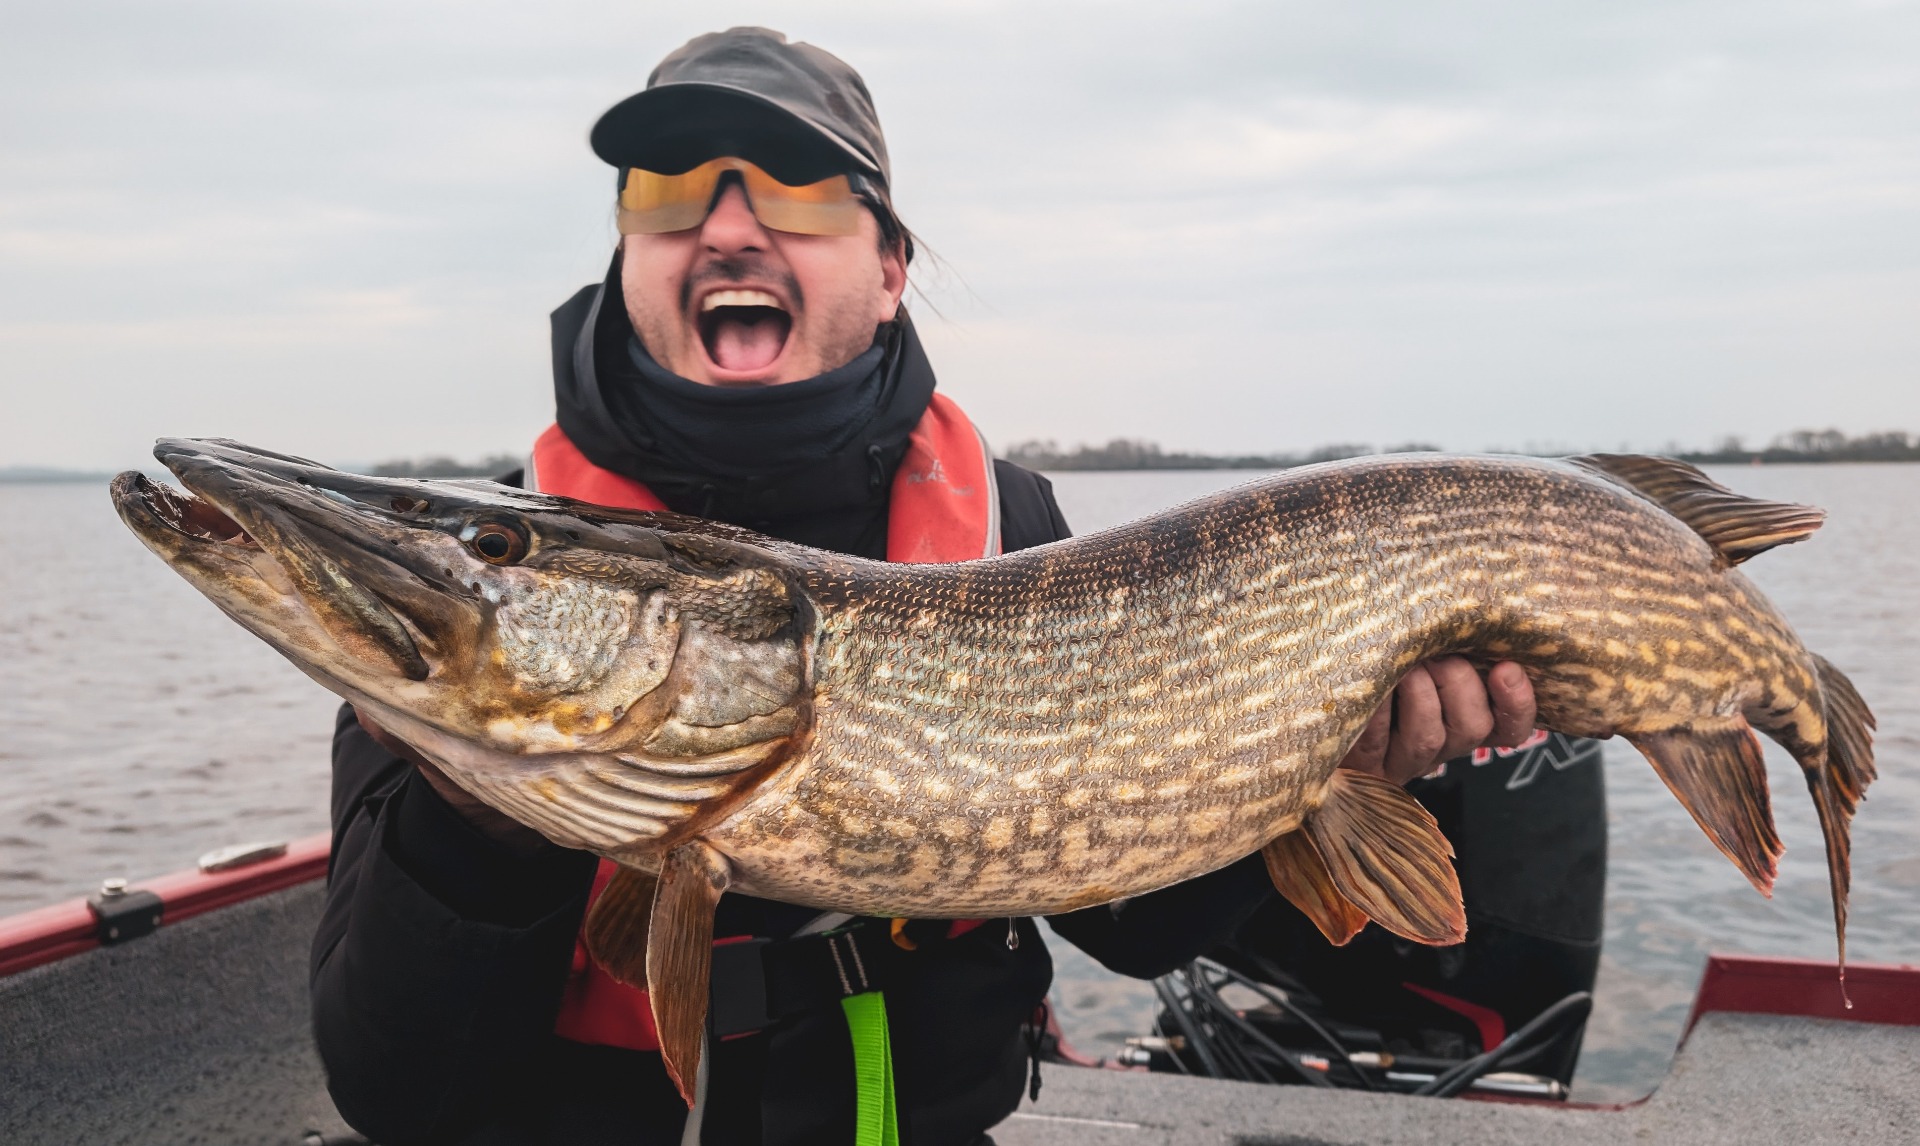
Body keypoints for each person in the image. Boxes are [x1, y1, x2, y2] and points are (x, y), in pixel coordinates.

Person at [311, 27, 1546, 1146]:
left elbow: (1141, 928)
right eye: (670, 191)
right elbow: (400, 1093)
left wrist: (1337, 757)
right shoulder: (499, 570)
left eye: (793, 190)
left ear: (891, 267)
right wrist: (475, 819)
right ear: (630, 254)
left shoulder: (1010, 523)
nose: (729, 228)